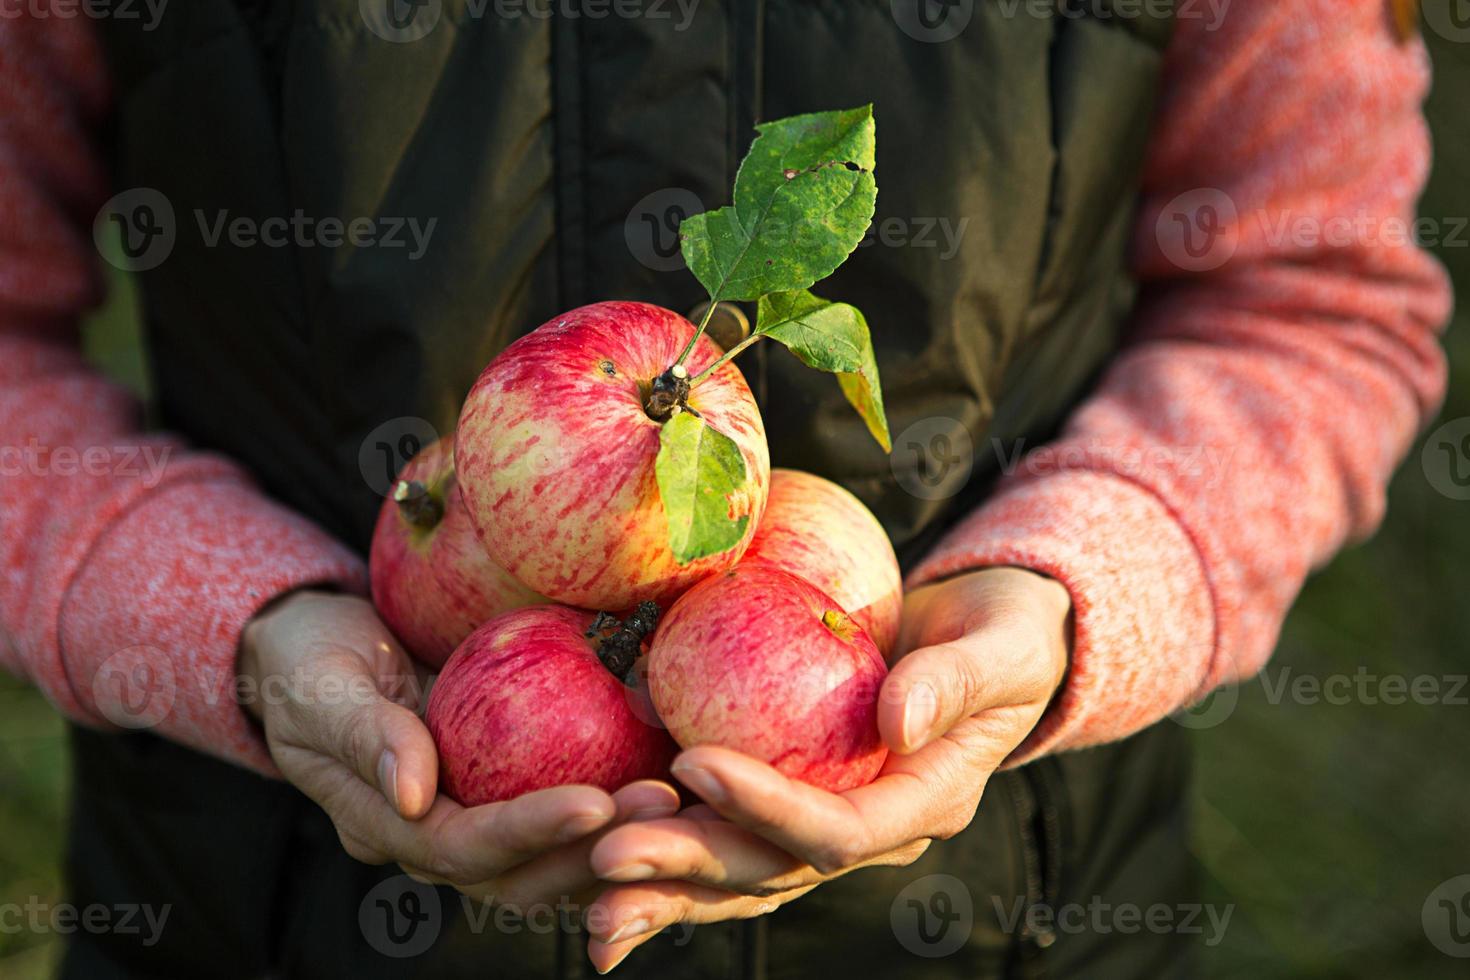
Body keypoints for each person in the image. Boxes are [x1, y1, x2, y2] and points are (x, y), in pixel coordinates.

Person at [0, 1, 1449, 977]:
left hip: (1007, 913)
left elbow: (1305, 294)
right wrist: (224, 619)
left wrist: (1078, 591)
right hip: (263, 899)